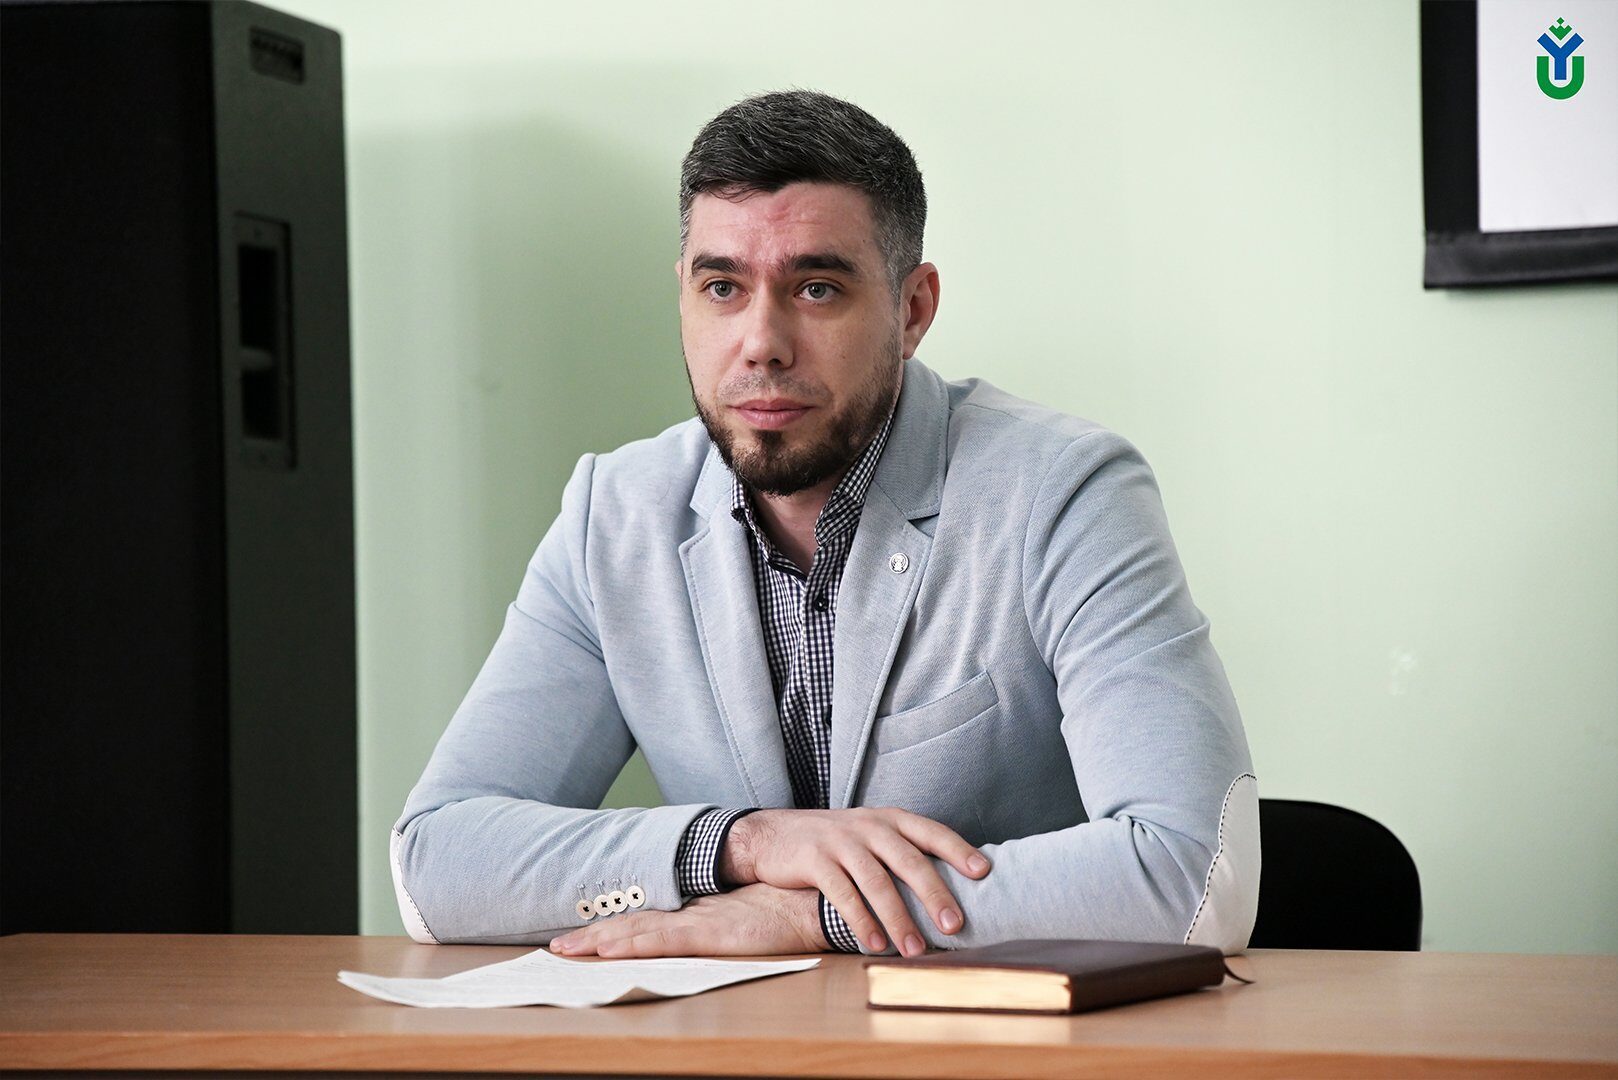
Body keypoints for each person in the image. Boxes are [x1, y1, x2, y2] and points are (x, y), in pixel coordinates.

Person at [391, 90, 1259, 960]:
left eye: (816, 289)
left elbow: (1194, 877)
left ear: (912, 310)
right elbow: (436, 863)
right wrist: (743, 845)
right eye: (722, 288)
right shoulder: (612, 515)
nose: (761, 342)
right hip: (738, 1030)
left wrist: (809, 916)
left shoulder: (1064, 492)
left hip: (994, 1028)